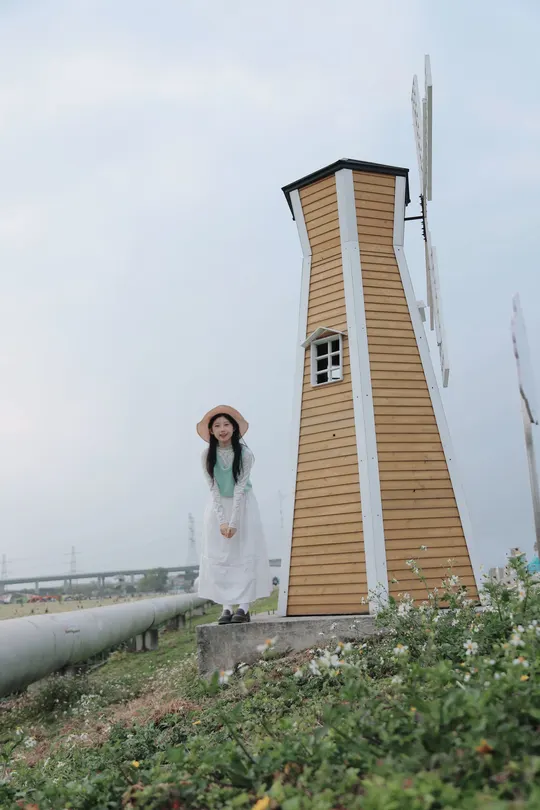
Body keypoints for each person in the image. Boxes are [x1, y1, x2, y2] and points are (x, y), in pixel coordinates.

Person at [196, 405, 271, 624]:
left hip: (244, 506)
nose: (222, 429)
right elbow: (213, 488)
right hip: (218, 506)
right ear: (211, 431)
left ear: (234, 428)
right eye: (217, 425)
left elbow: (239, 487)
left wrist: (234, 520)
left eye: (226, 424)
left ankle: (244, 607)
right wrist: (222, 521)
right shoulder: (206, 455)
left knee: (245, 553)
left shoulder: (245, 454)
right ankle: (226, 607)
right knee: (221, 555)